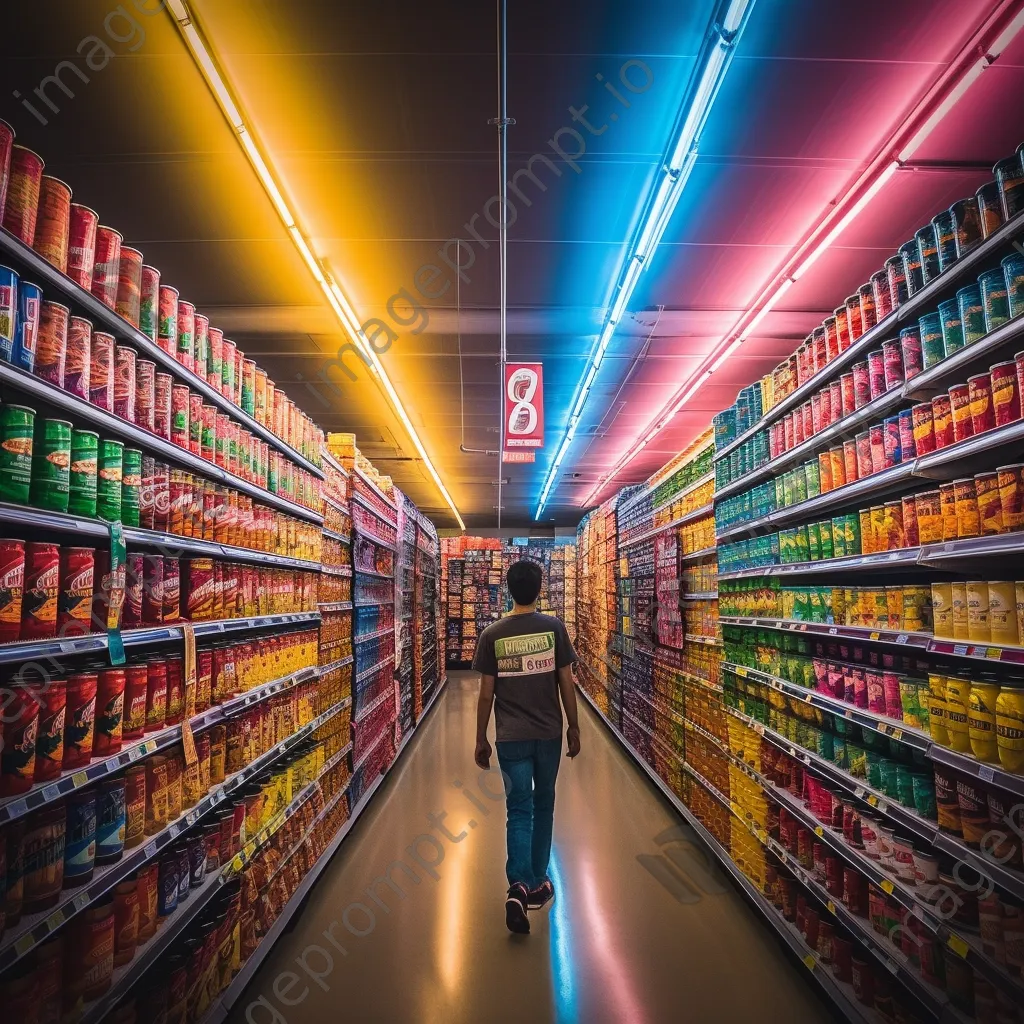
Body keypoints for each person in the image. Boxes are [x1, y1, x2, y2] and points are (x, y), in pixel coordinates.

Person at [472, 558, 580, 934]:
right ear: (540, 589)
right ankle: (537, 881)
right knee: (544, 803)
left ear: (508, 589)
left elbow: (486, 694)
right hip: (549, 734)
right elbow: (566, 682)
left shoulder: (492, 635)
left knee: (518, 809)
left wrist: (480, 738)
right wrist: (574, 727)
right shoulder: (553, 629)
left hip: (510, 737)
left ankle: (517, 886)